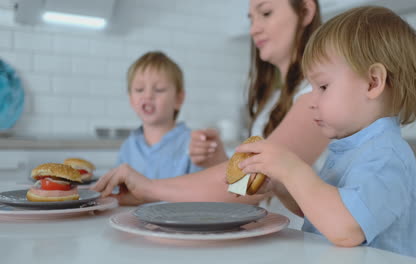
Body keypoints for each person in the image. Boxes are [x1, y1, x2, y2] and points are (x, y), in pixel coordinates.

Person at [92, 0, 329, 206]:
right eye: (251, 18)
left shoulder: (320, 96)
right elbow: (254, 183)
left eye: (265, 13)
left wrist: (148, 188)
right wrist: (221, 161)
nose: (254, 29)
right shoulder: (272, 103)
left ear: (306, 11)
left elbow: (254, 182)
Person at [235, 6, 416, 258]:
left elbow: (345, 228)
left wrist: (293, 169)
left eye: (323, 86)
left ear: (373, 82)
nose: (312, 100)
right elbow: (320, 212)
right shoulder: (350, 148)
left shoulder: (385, 155)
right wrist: (281, 186)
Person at [104, 51, 202, 203]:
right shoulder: (128, 147)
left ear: (178, 99)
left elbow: (201, 196)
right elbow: (119, 193)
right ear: (131, 99)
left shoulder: (194, 144)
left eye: (159, 89)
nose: (148, 95)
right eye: (139, 89)